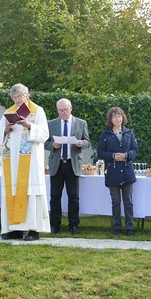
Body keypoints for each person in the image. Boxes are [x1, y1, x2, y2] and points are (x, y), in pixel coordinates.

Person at [0, 83, 50, 241]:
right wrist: (6, 129)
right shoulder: (9, 112)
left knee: (29, 192)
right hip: (12, 162)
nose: (17, 99)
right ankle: (15, 229)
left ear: (27, 95)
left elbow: (44, 134)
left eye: (20, 96)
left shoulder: (37, 111)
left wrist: (29, 125)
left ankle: (33, 229)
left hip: (30, 161)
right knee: (12, 192)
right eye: (14, 97)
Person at [44, 98, 90, 234]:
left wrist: (82, 143)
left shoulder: (81, 123)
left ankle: (73, 225)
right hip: (57, 164)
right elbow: (44, 142)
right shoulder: (51, 124)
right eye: (60, 110)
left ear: (71, 108)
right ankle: (54, 225)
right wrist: (53, 145)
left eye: (65, 110)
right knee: (55, 196)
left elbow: (87, 141)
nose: (63, 113)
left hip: (73, 163)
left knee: (73, 197)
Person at [97, 107, 138, 235]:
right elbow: (100, 152)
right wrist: (113, 155)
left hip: (127, 172)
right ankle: (117, 227)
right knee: (115, 202)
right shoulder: (105, 135)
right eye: (115, 116)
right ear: (110, 119)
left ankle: (129, 227)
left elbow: (134, 150)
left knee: (128, 202)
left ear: (123, 117)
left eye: (119, 116)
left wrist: (126, 155)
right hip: (113, 173)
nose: (118, 118)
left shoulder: (129, 133)